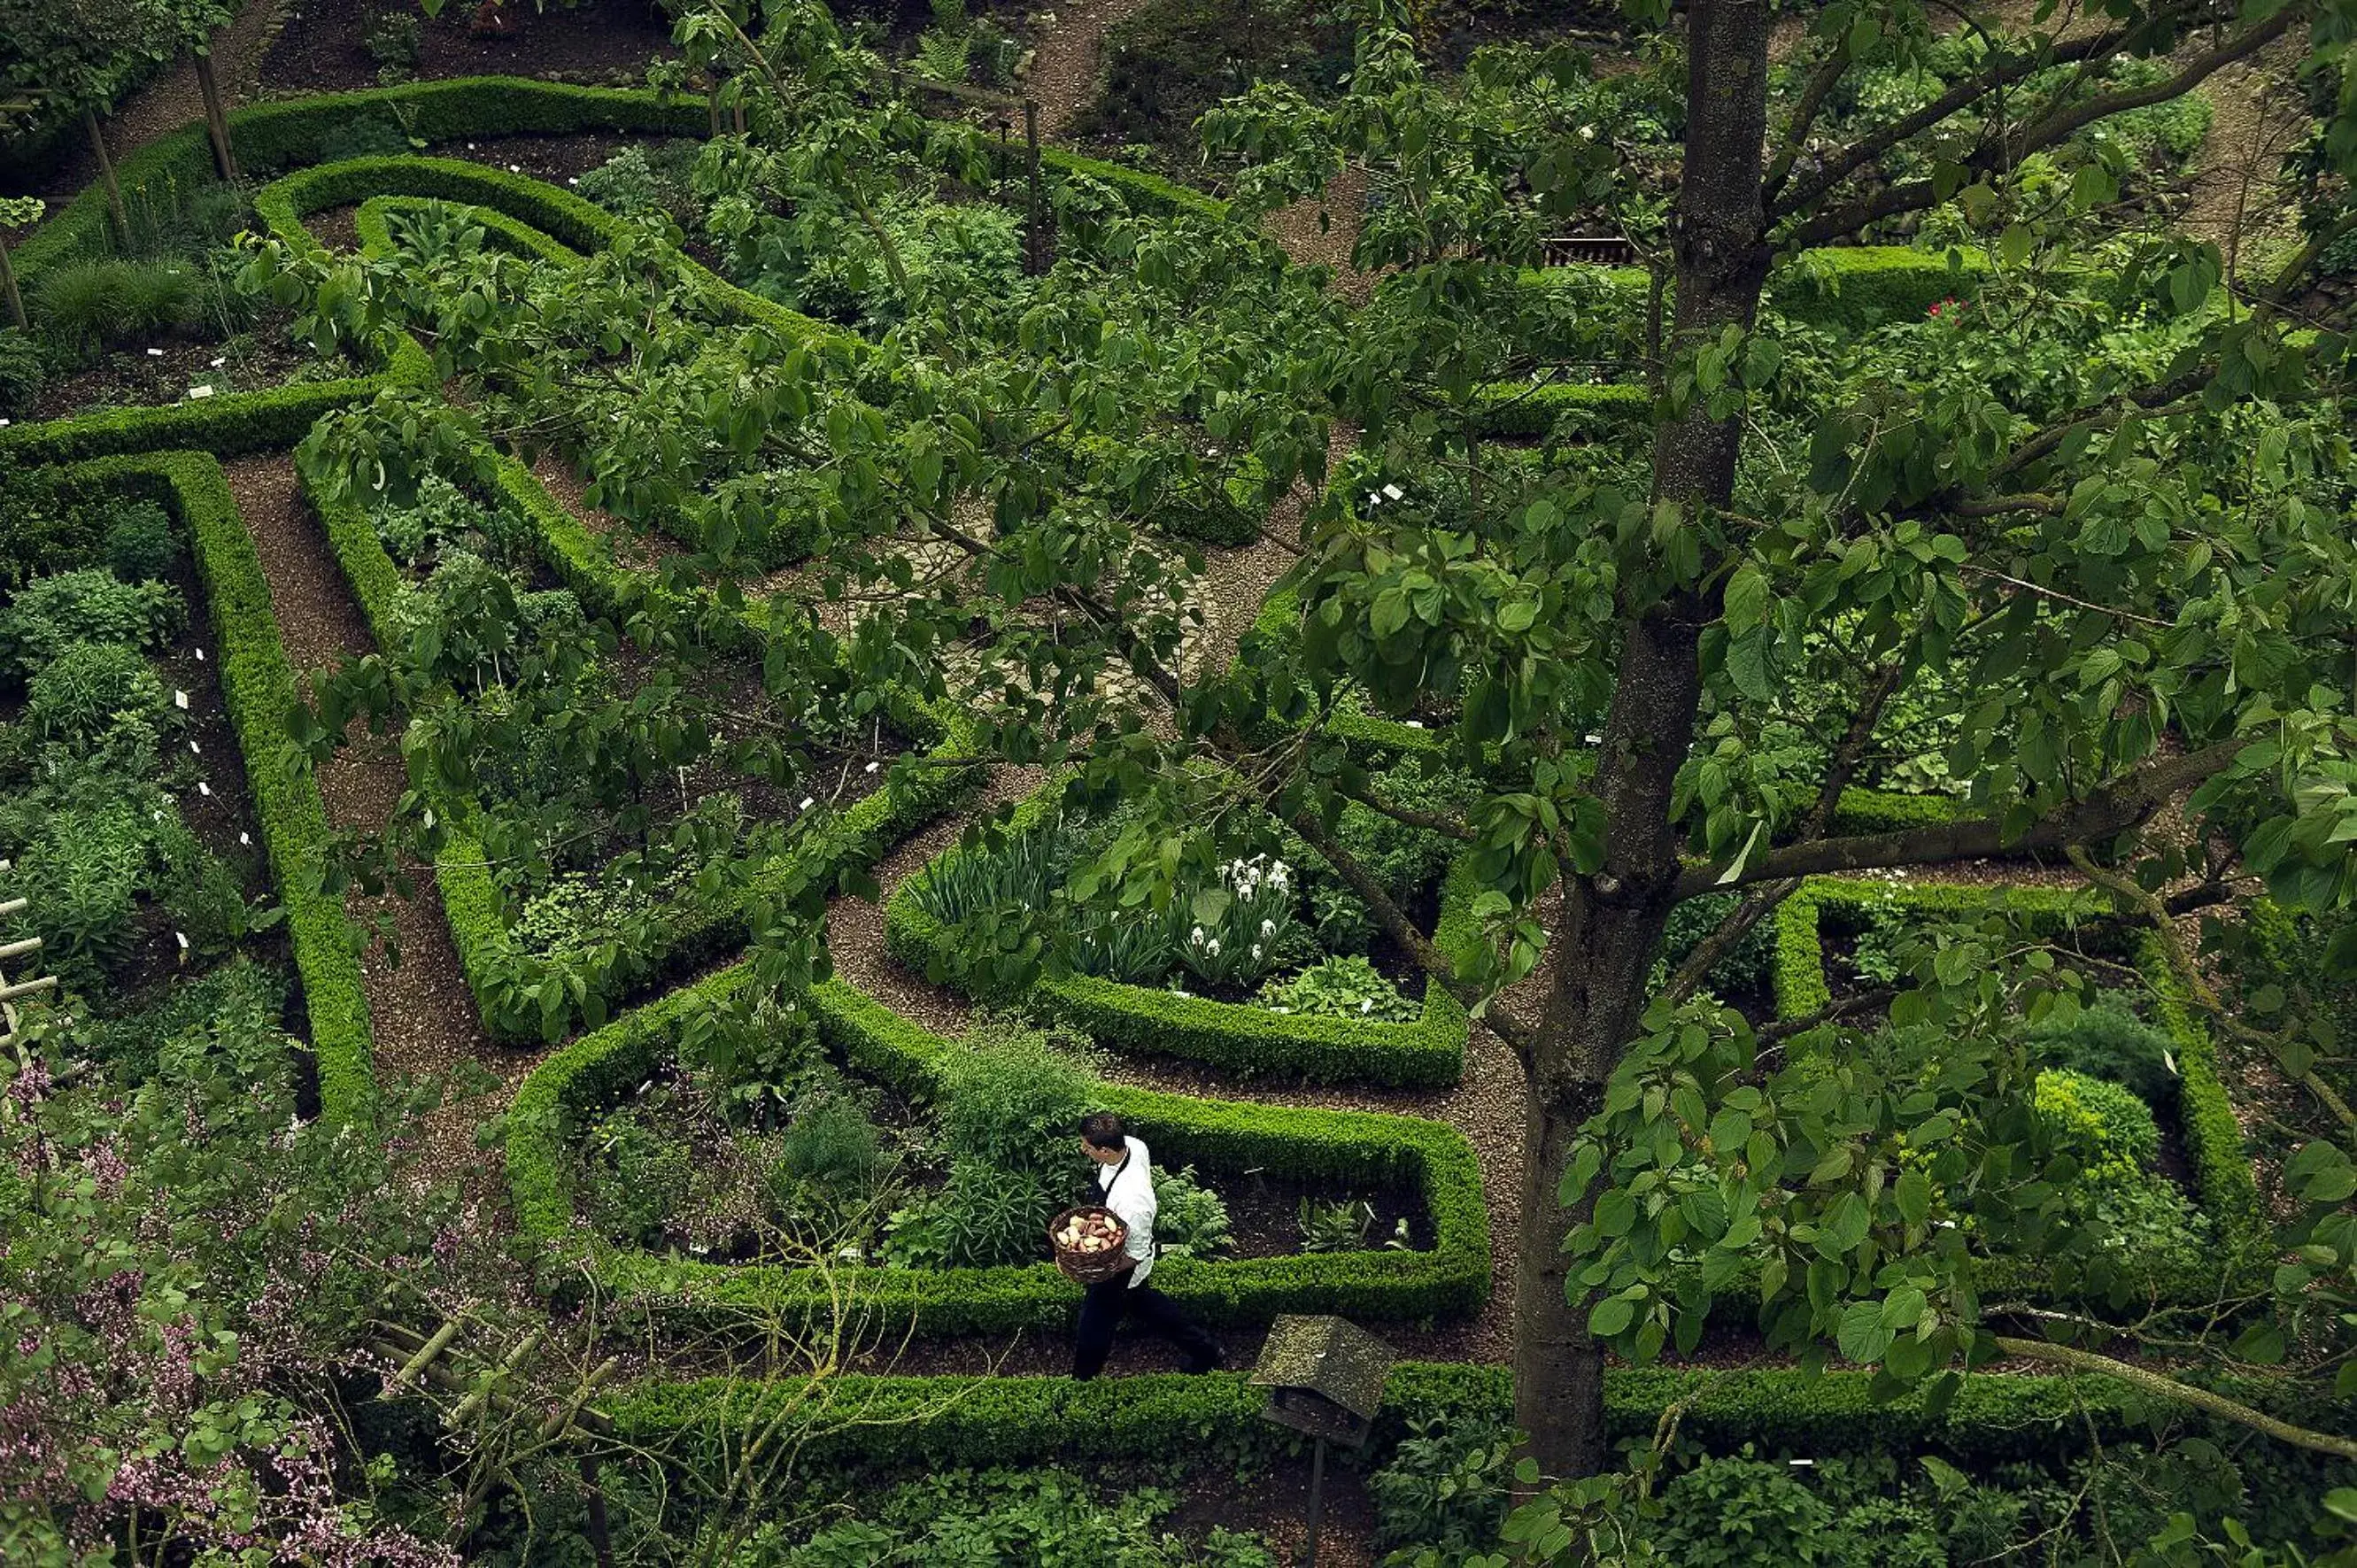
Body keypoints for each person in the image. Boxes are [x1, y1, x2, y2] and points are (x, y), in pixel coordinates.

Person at [1070, 1109, 1223, 1380]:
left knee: (1092, 1329)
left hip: (1120, 1271)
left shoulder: (1133, 1203)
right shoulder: (1134, 1146)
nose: (1083, 1149)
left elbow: (1136, 1254)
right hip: (1118, 1248)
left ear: (1104, 1150)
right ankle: (1206, 1351)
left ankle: (1082, 1383)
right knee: (1149, 1307)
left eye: (1087, 1146)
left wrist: (1093, 1269)